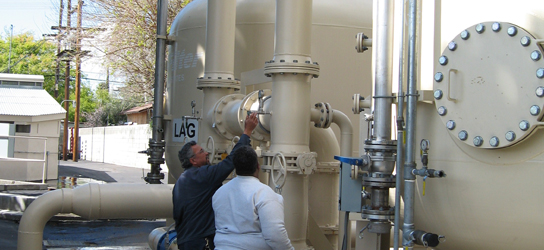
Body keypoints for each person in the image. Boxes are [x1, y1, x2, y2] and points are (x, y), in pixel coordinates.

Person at [173, 113, 259, 250]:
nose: (207, 152)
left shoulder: (182, 180)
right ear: (193, 160)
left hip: (186, 240)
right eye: (201, 152)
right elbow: (230, 162)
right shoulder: (202, 176)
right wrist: (247, 132)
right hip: (200, 241)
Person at [212, 145, 294, 250]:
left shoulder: (219, 193)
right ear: (258, 166)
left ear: (236, 167)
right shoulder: (264, 193)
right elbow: (275, 235)